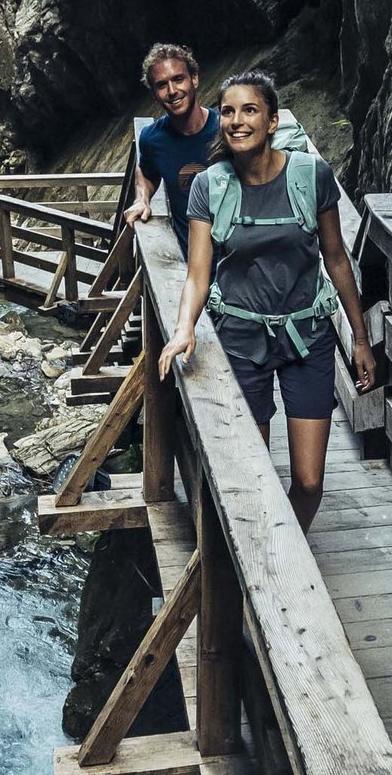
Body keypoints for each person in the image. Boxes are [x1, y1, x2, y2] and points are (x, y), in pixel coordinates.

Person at [156, 70, 376, 530]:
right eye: (230, 112)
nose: (237, 121)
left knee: (310, 481)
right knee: (254, 477)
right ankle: (267, 563)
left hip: (307, 337)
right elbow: (198, 275)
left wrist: (359, 339)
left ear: (273, 121)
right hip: (240, 338)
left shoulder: (310, 175)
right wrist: (183, 330)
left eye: (250, 110)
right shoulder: (209, 186)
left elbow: (336, 259)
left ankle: (287, 547)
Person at [121, 43, 218, 254]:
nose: (172, 91)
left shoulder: (226, 130)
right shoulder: (152, 139)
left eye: (178, 79)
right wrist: (141, 199)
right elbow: (146, 171)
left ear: (194, 79)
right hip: (190, 259)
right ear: (154, 93)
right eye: (162, 85)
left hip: (236, 260)